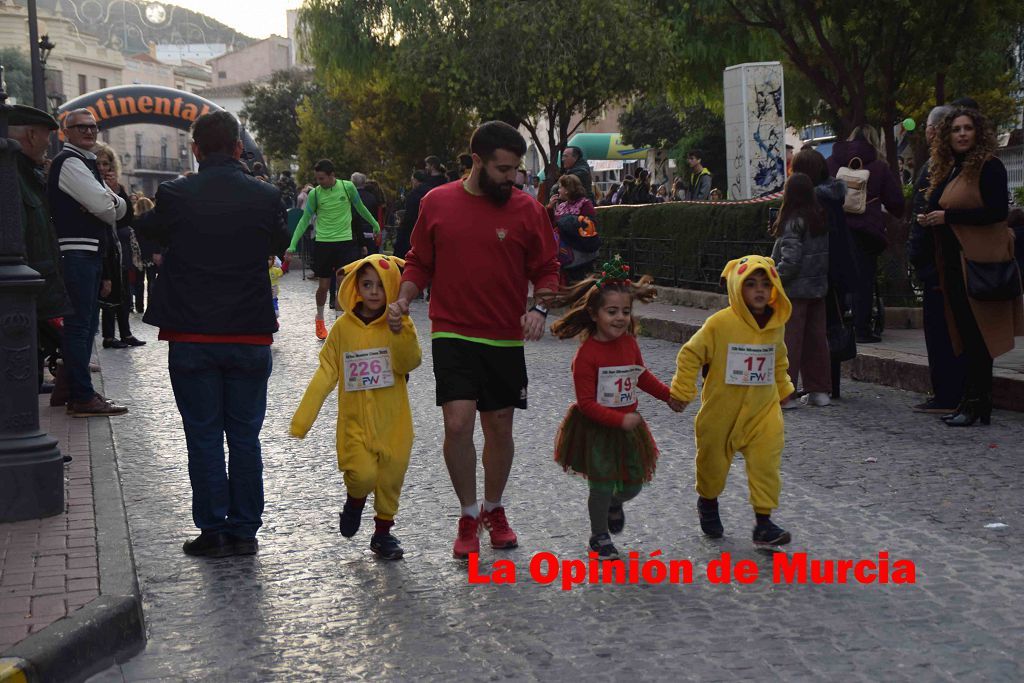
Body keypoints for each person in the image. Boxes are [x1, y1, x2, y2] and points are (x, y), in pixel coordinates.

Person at [387, 121, 559, 559]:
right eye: (503, 169)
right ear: (477, 162)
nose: (512, 178)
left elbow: (546, 268)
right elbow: (419, 262)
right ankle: (467, 515)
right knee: (458, 424)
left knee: (499, 426)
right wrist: (405, 298)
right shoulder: (437, 202)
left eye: (516, 169)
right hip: (453, 331)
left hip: (503, 336)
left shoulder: (527, 210)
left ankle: (494, 509)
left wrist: (539, 308)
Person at [133, 110, 290, 557]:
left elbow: (153, 232)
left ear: (196, 150)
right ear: (239, 148)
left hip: (192, 334)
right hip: (249, 334)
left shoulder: (175, 193)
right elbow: (278, 244)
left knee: (202, 435)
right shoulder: (265, 196)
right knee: (244, 437)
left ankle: (212, 531)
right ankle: (244, 531)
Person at [290, 254, 422, 560]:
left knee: (391, 477)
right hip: (355, 423)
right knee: (361, 474)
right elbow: (326, 372)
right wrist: (303, 420)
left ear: (391, 287)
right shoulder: (342, 329)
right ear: (356, 287)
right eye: (367, 284)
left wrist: (400, 327)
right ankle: (355, 500)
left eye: (380, 285)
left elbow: (408, 362)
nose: (374, 292)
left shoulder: (399, 324)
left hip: (395, 422)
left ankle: (383, 533)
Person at [548, 258, 681, 559]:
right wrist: (618, 421)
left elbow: (641, 375)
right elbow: (586, 404)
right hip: (596, 429)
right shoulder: (586, 356)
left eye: (625, 311)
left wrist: (668, 396)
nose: (620, 318)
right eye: (612, 312)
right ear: (594, 314)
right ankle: (599, 535)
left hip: (627, 426)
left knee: (633, 484)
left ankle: (615, 503)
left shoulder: (630, 343)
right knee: (602, 483)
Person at [670, 255, 795, 546]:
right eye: (751, 284)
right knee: (712, 462)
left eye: (766, 284)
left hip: (762, 411)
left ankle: (764, 523)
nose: (760, 290)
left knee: (766, 462)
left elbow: (778, 359)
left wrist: (784, 387)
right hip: (721, 410)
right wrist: (682, 391)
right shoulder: (719, 324)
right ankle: (708, 502)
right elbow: (691, 354)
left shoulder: (776, 325)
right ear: (738, 288)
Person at [918, 107, 1024, 426]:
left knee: (980, 336)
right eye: (956, 130)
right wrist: (932, 218)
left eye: (967, 128)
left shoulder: (989, 167)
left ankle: (978, 402)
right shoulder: (952, 167)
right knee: (964, 333)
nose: (962, 134)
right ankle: (970, 400)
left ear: (977, 132)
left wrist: (948, 217)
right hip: (953, 263)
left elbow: (994, 212)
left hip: (979, 264)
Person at [47, 108, 129, 417]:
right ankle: (81, 395)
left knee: (85, 325)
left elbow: (119, 208)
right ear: (65, 132)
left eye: (93, 127)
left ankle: (73, 389)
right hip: (76, 251)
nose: (89, 131)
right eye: (81, 127)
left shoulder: (86, 163)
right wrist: (104, 204)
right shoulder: (70, 163)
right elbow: (107, 208)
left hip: (87, 251)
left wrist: (105, 204)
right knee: (80, 327)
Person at [906, 105, 967, 413]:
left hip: (938, 259)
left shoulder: (942, 165)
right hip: (932, 258)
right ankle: (945, 391)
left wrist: (919, 256)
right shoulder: (937, 163)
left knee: (943, 330)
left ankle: (949, 394)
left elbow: (925, 210)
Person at [8, 105, 72, 388]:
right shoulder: (11, 176)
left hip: (34, 282)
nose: (50, 144)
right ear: (32, 135)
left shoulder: (28, 175)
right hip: (24, 286)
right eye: (48, 136)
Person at [790, 148, 859, 399]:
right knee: (831, 327)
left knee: (812, 332)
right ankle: (828, 387)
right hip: (838, 268)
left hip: (817, 273)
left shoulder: (813, 201)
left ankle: (815, 387)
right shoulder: (833, 195)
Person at [285, 159, 380, 340]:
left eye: (322, 178)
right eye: (317, 179)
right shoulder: (315, 195)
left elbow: (360, 208)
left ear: (332, 175)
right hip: (324, 243)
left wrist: (374, 224)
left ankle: (340, 325)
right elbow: (305, 219)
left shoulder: (347, 188)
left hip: (345, 242)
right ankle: (319, 318)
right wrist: (292, 244)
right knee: (323, 286)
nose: (319, 182)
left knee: (343, 284)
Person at [826, 125, 905, 343]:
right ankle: (861, 329)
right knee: (864, 279)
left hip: (837, 228)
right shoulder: (879, 166)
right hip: (866, 231)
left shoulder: (832, 162)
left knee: (837, 276)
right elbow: (896, 202)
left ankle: (836, 325)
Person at [770, 173, 830, 407]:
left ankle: (787, 393)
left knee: (790, 344)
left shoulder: (793, 221)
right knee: (816, 342)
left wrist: (773, 277)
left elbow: (791, 261)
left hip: (795, 291)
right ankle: (819, 391)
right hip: (818, 288)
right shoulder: (820, 219)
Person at [93, 143, 144, 349]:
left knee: (122, 293)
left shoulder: (120, 188)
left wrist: (117, 191)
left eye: (106, 163)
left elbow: (127, 218)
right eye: (99, 163)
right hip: (103, 247)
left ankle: (126, 333)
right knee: (108, 292)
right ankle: (108, 336)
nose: (103, 168)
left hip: (118, 247)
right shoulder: (92, 185)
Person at [548, 173, 599, 283]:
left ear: (567, 189)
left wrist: (570, 224)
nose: (558, 190)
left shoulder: (585, 204)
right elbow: (552, 226)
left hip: (579, 254)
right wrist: (549, 209)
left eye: (560, 187)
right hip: (563, 254)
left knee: (577, 284)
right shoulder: (561, 206)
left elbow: (590, 226)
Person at [393, 170, 429, 259]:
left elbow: (410, 215)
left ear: (416, 180)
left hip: (411, 228)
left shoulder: (414, 194)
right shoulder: (430, 191)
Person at [350, 172, 380, 255]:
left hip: (354, 233)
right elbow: (375, 216)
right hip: (369, 232)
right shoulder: (372, 197)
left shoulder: (350, 197)